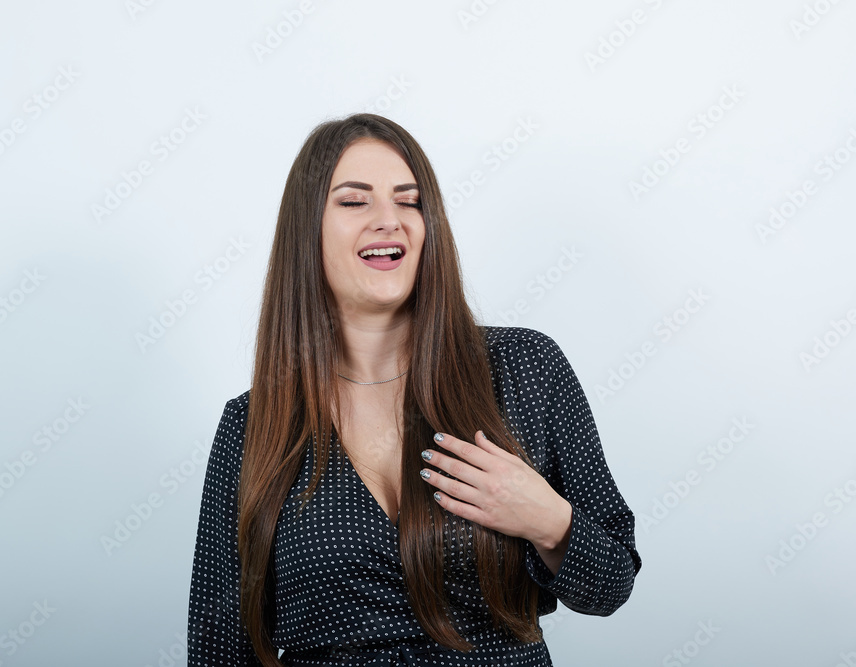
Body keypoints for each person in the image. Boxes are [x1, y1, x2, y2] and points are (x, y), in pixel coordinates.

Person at [187, 113, 642, 666]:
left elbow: (611, 585)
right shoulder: (252, 425)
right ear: (307, 230)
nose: (389, 220)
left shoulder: (524, 368)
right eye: (355, 202)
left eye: (409, 201)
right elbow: (219, 650)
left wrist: (545, 518)